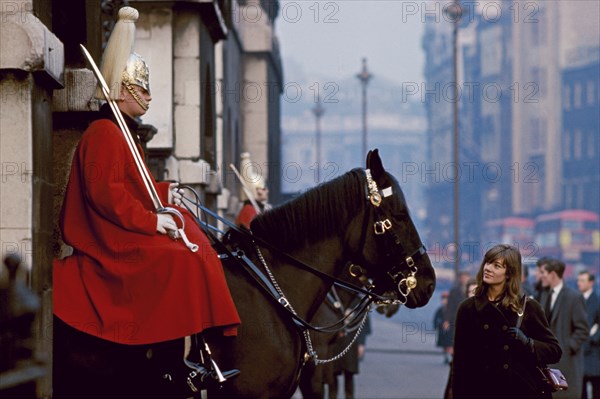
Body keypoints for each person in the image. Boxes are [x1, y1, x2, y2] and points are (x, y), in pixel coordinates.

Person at [52, 7, 240, 398]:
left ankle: (198, 348)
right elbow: (107, 196)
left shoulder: (125, 134)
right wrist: (153, 222)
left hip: (123, 226)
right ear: (122, 91)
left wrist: (166, 193)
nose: (150, 96)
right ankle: (173, 362)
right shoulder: (104, 132)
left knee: (195, 241)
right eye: (143, 88)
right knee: (178, 258)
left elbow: (135, 184)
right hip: (108, 236)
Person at [452, 244, 562, 399]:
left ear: (509, 274)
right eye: (488, 263)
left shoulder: (528, 307)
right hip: (480, 391)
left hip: (520, 391)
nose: (488, 268)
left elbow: (554, 351)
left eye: (496, 266)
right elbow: (460, 364)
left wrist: (528, 343)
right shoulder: (468, 308)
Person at [539, 259, 590, 399]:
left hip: (567, 363)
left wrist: (568, 347)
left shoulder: (574, 297)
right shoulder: (544, 295)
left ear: (553, 274)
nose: (540, 276)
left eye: (544, 273)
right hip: (547, 363)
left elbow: (583, 329)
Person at [330, 306, 371, 399]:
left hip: (352, 342)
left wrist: (361, 343)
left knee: (349, 374)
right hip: (335, 342)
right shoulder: (335, 297)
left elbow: (364, 323)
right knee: (332, 375)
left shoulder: (358, 301)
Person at [578, 271, 600, 399]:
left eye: (582, 280)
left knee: (596, 388)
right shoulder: (576, 299)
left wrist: (592, 338)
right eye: (578, 280)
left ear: (591, 283)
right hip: (580, 350)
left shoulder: (597, 301)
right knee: (581, 389)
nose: (579, 283)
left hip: (594, 352)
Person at [235, 152, 270, 228]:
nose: (267, 191)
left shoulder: (257, 208)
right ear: (256, 191)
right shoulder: (248, 210)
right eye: (263, 188)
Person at [434, 291, 453, 364]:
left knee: (450, 345)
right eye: (443, 298)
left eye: (446, 298)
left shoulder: (452, 310)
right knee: (444, 345)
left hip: (450, 331)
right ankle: (446, 358)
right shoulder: (440, 310)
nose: (444, 300)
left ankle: (451, 358)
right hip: (442, 331)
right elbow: (436, 318)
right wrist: (436, 326)